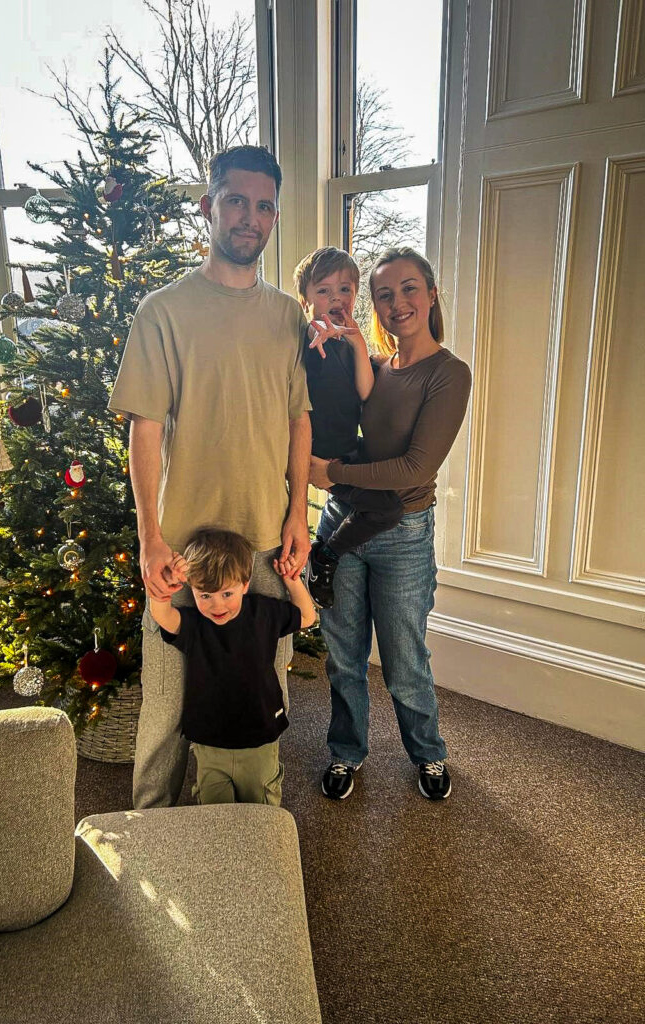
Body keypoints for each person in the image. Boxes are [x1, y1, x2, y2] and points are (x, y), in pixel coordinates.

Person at [109, 145, 312, 809]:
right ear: (209, 206)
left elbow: (298, 423)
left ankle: (254, 836)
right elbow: (143, 428)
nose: (248, 216)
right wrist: (149, 538)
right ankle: (150, 839)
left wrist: (295, 517)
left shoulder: (288, 316)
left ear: (273, 216)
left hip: (265, 549)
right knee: (168, 711)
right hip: (185, 548)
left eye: (262, 205)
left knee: (261, 697)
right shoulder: (162, 311)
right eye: (235, 200)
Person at [309, 247, 472, 802]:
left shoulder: (449, 374)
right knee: (343, 655)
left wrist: (330, 471)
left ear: (429, 293)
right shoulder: (374, 368)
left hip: (402, 534)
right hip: (340, 524)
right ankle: (345, 753)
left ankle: (428, 754)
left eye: (408, 289)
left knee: (404, 661)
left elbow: (415, 468)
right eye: (384, 294)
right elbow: (329, 410)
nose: (397, 302)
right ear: (373, 305)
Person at [148, 528, 316, 805]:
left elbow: (307, 617)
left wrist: (291, 581)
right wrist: (164, 587)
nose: (217, 605)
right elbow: (163, 616)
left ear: (245, 584)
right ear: (192, 589)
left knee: (261, 808)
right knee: (215, 817)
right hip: (210, 741)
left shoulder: (263, 612)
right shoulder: (195, 624)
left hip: (260, 736)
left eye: (227, 593)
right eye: (205, 596)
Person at [293, 246, 404, 608]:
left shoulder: (344, 342)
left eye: (344, 289)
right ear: (306, 299)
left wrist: (355, 338)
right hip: (321, 452)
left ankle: (327, 548)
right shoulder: (308, 342)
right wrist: (314, 333)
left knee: (388, 478)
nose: (336, 298)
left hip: (347, 445)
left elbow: (365, 391)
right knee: (387, 509)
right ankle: (323, 554)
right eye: (323, 291)